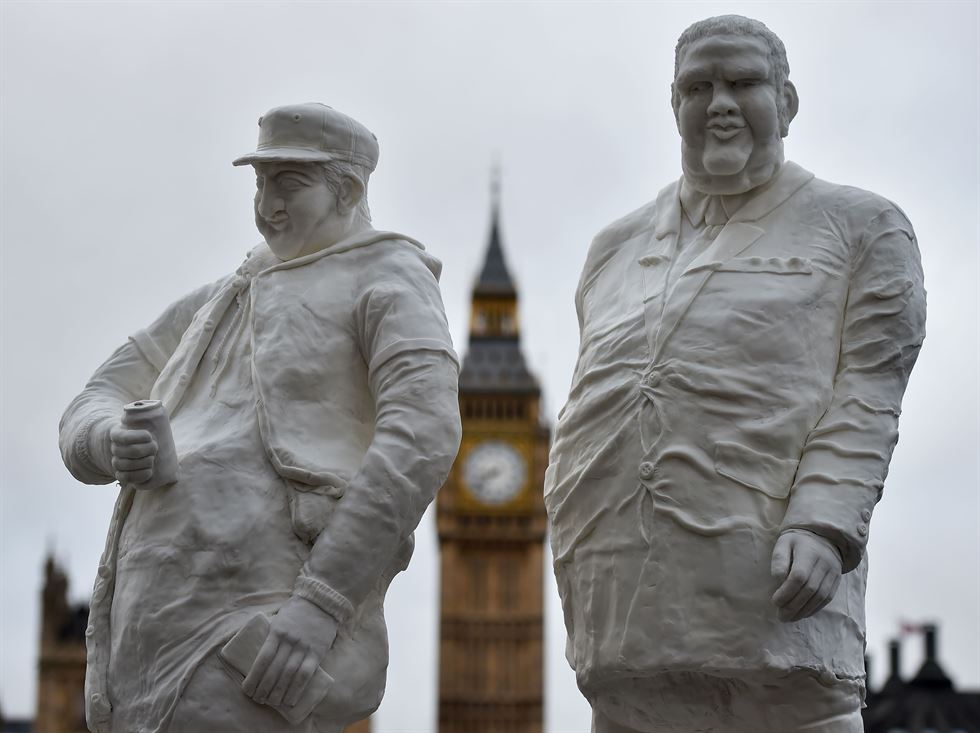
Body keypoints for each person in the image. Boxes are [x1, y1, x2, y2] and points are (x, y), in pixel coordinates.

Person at [544, 16, 926, 733]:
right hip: (618, 624)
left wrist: (825, 523)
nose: (719, 102)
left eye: (742, 83)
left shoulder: (863, 227)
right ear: (674, 104)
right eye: (699, 86)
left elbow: (869, 391)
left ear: (787, 101)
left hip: (771, 610)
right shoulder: (614, 247)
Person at [59, 102, 462, 733]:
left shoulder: (389, 277)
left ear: (349, 189)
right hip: (149, 637)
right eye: (259, 183)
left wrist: (320, 607)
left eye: (289, 184)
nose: (267, 205)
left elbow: (422, 436)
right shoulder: (223, 297)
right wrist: (110, 442)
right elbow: (95, 396)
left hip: (261, 632)